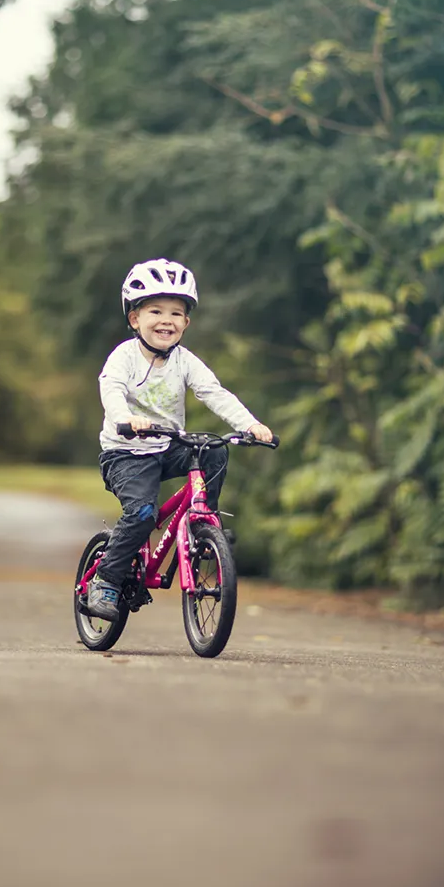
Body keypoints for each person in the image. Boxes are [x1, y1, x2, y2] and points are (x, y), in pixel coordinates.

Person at [88, 258, 273, 621]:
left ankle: (206, 523)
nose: (166, 320)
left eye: (176, 313)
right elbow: (111, 392)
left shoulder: (185, 361)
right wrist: (125, 419)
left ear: (186, 323)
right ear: (134, 319)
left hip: (168, 446)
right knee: (142, 514)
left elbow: (214, 393)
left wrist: (250, 424)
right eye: (155, 310)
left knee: (214, 449)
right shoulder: (123, 358)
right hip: (126, 452)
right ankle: (106, 580)